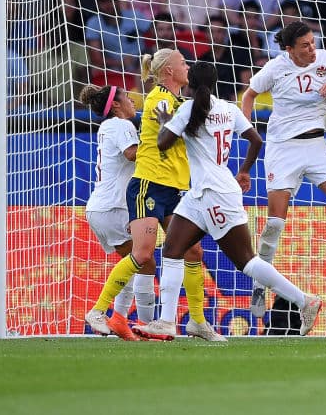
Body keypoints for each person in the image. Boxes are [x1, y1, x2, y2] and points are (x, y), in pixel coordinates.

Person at [134, 62, 323, 339]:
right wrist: (244, 170)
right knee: (172, 250)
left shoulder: (187, 110)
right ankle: (166, 322)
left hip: (214, 195)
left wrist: (165, 122)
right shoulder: (228, 108)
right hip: (203, 193)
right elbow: (256, 140)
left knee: (246, 261)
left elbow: (162, 143)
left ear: (191, 84)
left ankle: (304, 301)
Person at [84, 49, 225, 342]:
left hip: (172, 188)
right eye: (183, 63)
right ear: (169, 71)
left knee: (193, 251)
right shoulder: (160, 97)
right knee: (144, 254)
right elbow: (169, 134)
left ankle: (197, 321)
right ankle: (100, 310)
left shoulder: (175, 101)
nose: (188, 67)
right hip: (149, 184)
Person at [241, 22, 326, 320]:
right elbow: (248, 95)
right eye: (304, 46)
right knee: (275, 223)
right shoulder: (275, 68)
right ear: (289, 49)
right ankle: (259, 283)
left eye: (312, 43)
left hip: (316, 143)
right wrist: (246, 128)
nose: (311, 49)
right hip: (282, 149)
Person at [75, 84, 147, 341]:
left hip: (102, 207)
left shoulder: (108, 127)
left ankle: (119, 320)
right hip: (111, 207)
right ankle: (101, 312)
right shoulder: (121, 125)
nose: (132, 100)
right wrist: (161, 139)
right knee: (143, 259)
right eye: (126, 97)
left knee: (132, 264)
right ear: (116, 105)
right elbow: (131, 154)